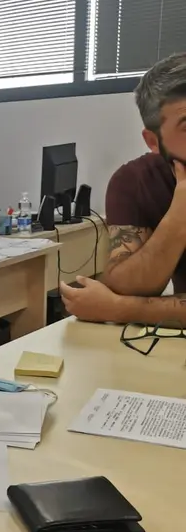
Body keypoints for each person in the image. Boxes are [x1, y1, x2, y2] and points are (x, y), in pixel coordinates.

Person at [61, 52, 186, 327]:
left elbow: (118, 300)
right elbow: (124, 286)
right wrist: (179, 216)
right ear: (154, 141)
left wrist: (121, 309)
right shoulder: (135, 180)